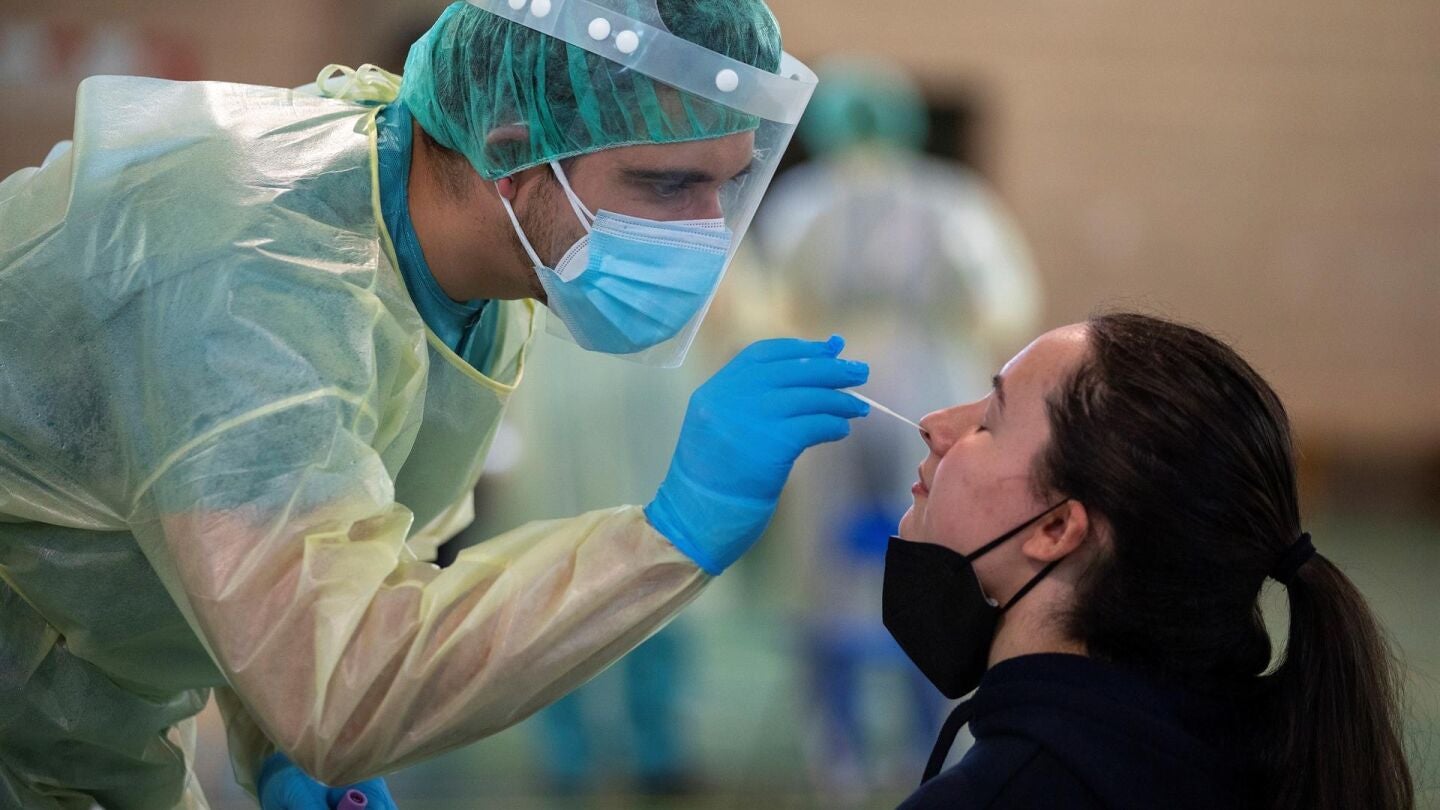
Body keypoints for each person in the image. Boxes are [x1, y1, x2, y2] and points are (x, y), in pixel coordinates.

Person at [0, 0, 872, 806]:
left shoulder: (480, 262)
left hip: (85, 724)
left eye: (728, 185)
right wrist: (670, 534)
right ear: (509, 149)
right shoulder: (254, 272)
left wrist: (278, 742)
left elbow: (310, 543)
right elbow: (338, 686)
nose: (708, 234)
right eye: (666, 184)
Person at [883, 312, 1414, 809]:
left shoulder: (1001, 795)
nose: (934, 425)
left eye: (988, 422)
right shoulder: (1252, 756)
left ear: (1056, 528)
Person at [752, 58, 1040, 793]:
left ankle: (838, 749)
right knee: (937, 555)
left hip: (833, 384)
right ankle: (928, 743)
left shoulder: (804, 202)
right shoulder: (952, 201)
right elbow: (1004, 302)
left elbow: (768, 306)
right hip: (929, 388)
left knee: (827, 568)